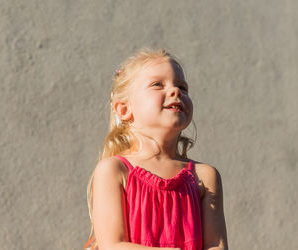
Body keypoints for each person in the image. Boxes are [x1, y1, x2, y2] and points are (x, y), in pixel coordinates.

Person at [84, 49, 228, 250]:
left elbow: (216, 245)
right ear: (124, 109)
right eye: (157, 84)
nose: (175, 91)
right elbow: (112, 245)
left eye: (182, 87)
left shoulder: (204, 176)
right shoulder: (114, 170)